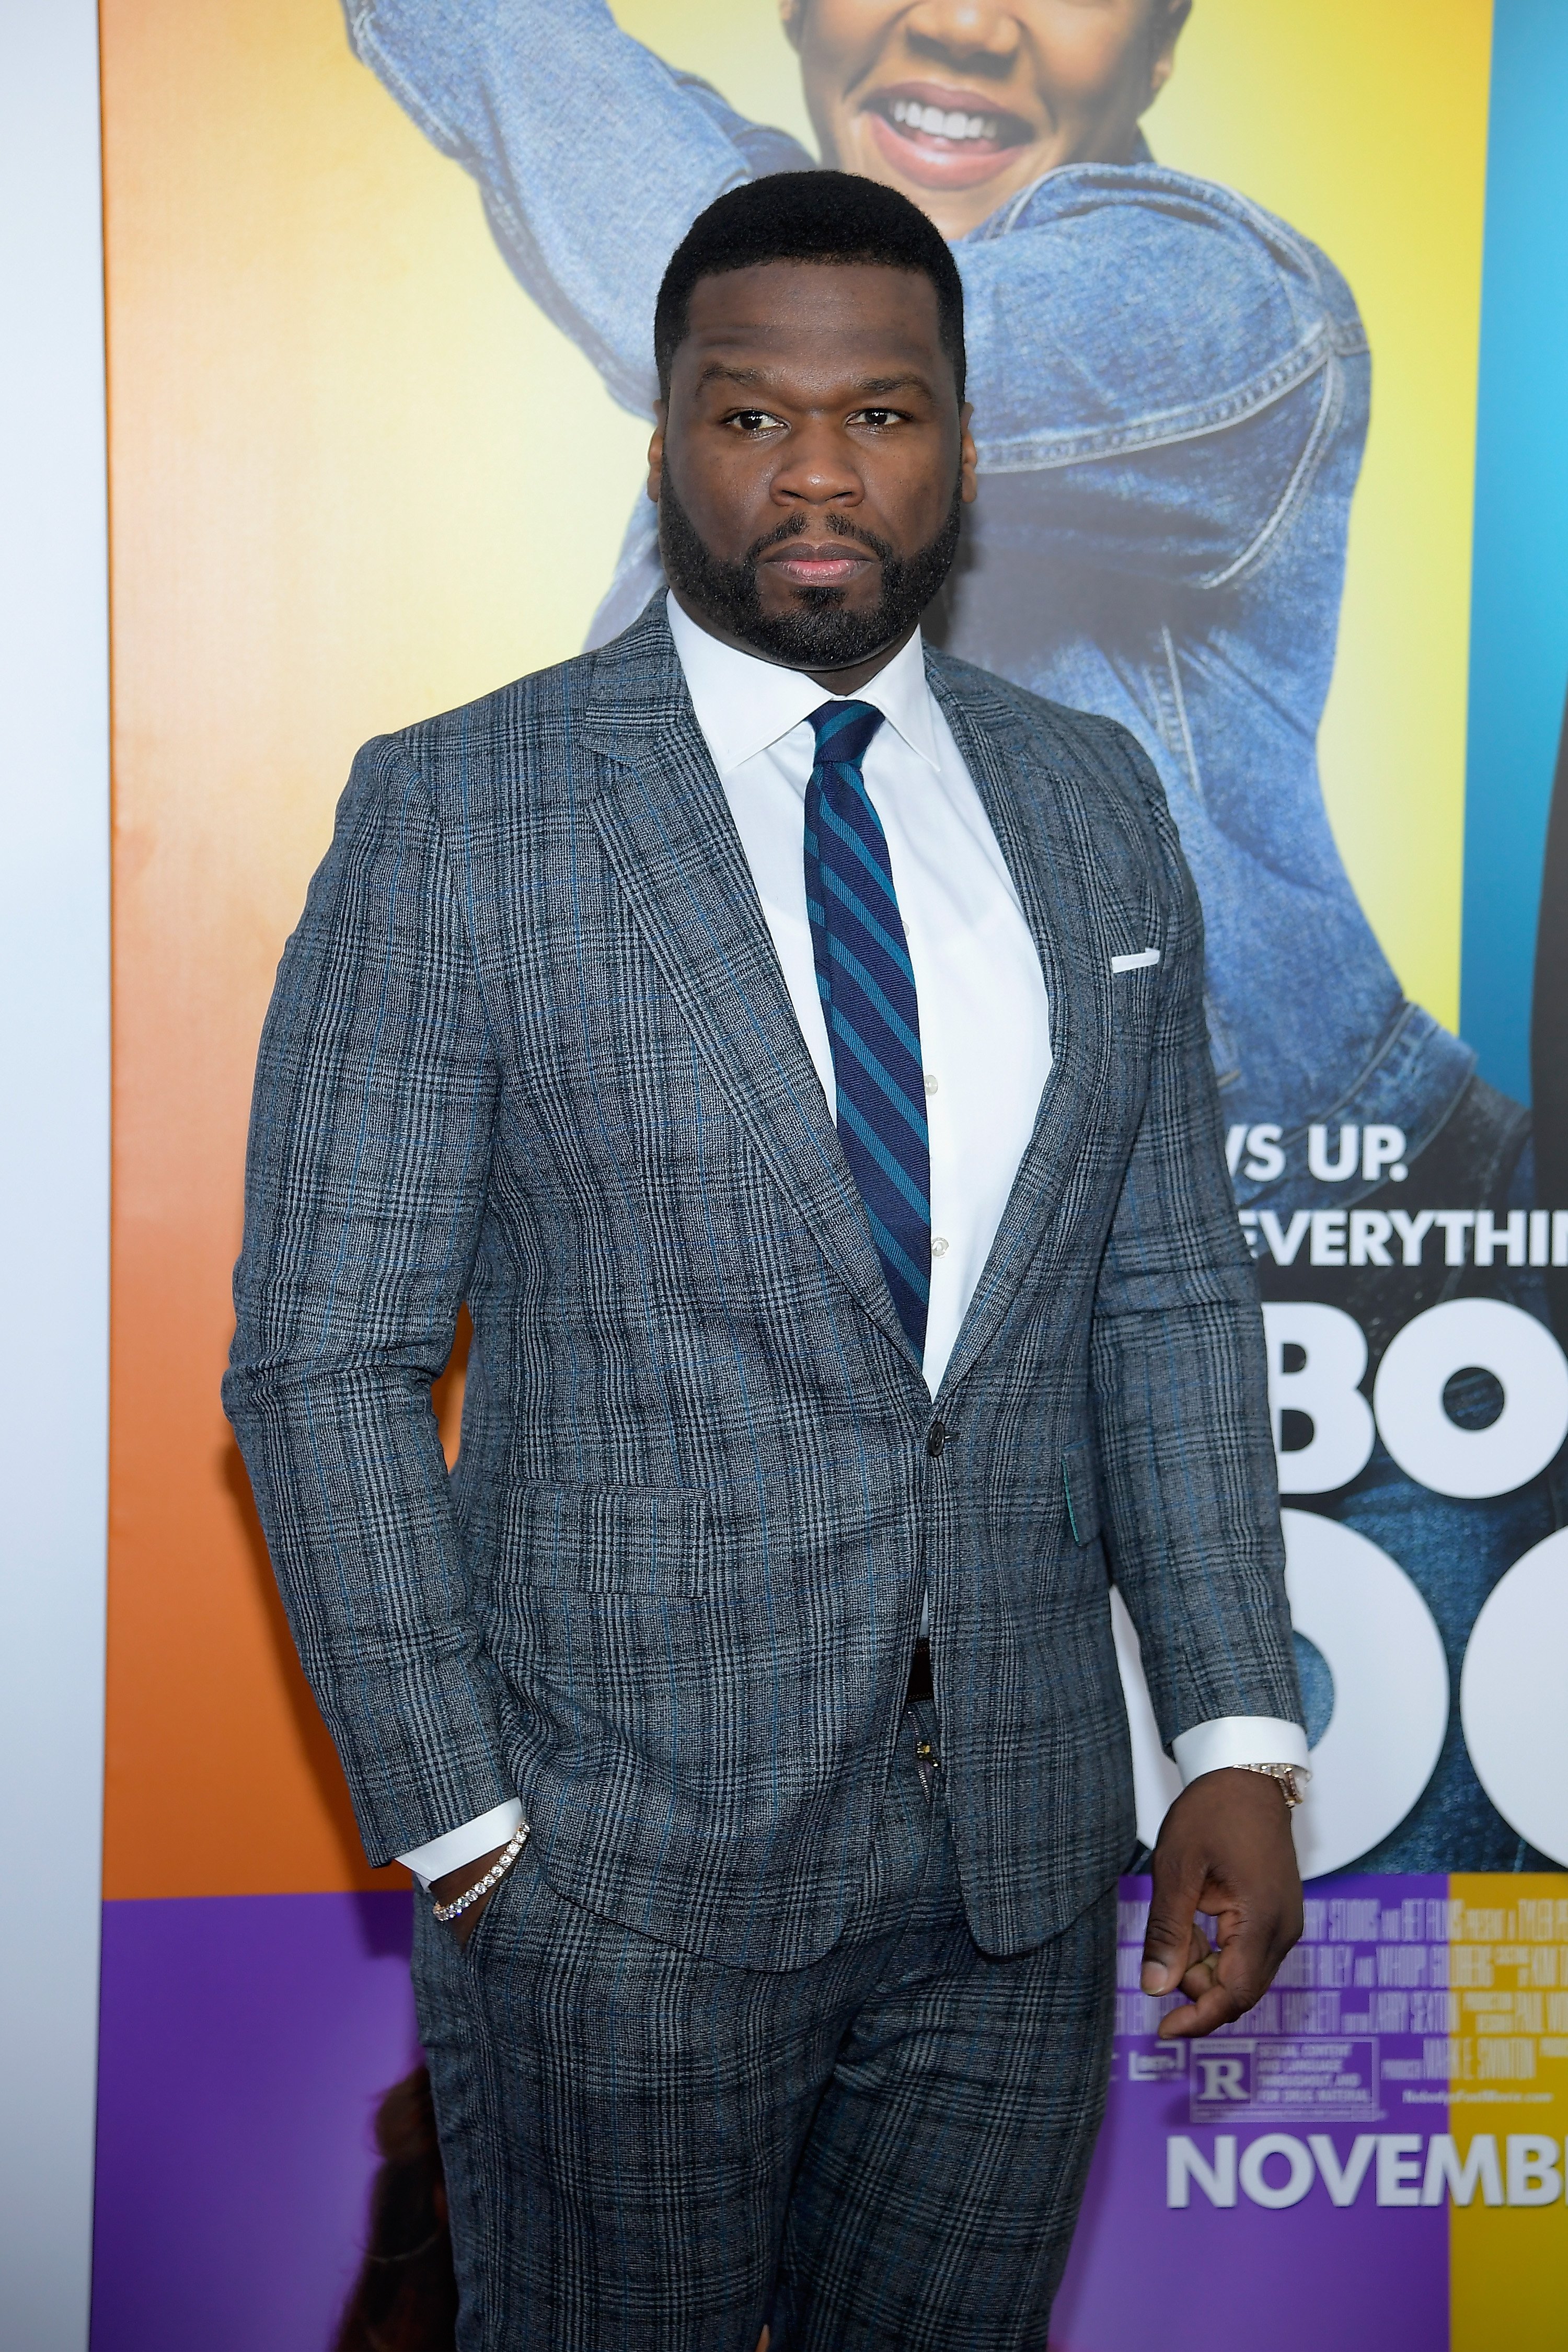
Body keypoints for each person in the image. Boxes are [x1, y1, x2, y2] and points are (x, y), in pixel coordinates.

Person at [226, 175, 1307, 2349]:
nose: (819, 472)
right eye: (750, 416)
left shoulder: (1094, 802)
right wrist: (466, 1833)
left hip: (1014, 1874)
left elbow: (1165, 1295)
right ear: (663, 438)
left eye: (884, 411)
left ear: (962, 444)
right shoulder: (465, 809)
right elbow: (323, 1360)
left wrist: (1232, 1738)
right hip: (613, 1891)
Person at [339, 0, 1563, 1872]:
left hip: (1312, 1328)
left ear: (1157, 47)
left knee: (1335, 2025)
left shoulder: (1213, 299)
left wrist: (743, 338)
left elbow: (717, 255)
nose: (965, 19)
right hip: (859, 1412)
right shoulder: (764, 324)